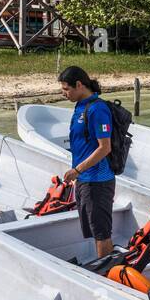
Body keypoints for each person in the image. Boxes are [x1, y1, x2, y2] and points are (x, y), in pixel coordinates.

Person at [58, 66, 116, 259]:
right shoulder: (80, 106)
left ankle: (106, 274)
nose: (63, 93)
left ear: (79, 85)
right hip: (84, 180)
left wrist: (77, 169)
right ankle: (104, 264)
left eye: (66, 89)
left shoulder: (98, 109)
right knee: (92, 228)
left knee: (101, 232)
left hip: (98, 181)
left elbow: (104, 147)